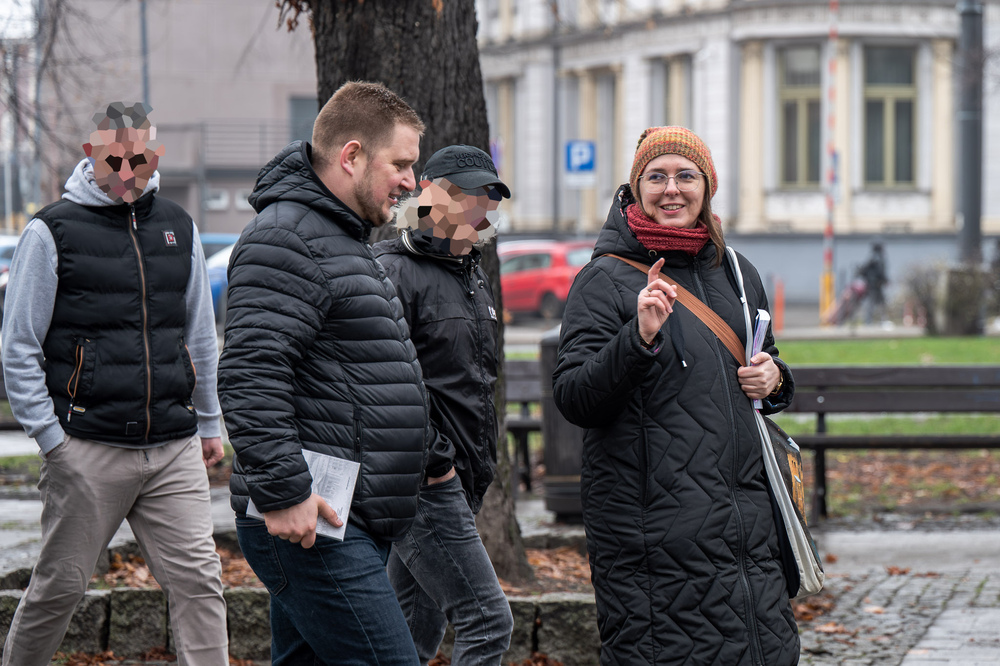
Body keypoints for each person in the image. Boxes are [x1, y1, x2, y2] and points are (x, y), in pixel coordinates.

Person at [552, 126, 798, 665]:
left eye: (686, 176)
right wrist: (637, 338)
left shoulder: (736, 272)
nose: (672, 190)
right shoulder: (605, 281)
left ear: (707, 188)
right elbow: (575, 398)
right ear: (635, 189)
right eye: (656, 177)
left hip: (745, 532)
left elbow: (766, 358)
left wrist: (774, 378)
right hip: (655, 542)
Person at [0, 101, 228, 666]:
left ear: (156, 156)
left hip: (172, 447)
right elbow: (18, 348)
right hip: (88, 447)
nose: (128, 174)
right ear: (91, 155)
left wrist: (209, 423)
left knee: (201, 587)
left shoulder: (180, 226)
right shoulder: (50, 232)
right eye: (115, 160)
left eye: (141, 160)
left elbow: (199, 335)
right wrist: (54, 445)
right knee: (59, 591)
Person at [217, 81, 428, 665]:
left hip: (343, 512)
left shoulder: (340, 237)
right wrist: (284, 494)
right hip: (313, 518)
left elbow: (362, 373)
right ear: (352, 155)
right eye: (402, 164)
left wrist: (428, 460)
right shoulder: (288, 236)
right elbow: (251, 373)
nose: (412, 181)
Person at [374, 145, 514, 665]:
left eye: (487, 198)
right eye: (464, 196)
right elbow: (386, 384)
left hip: (456, 480)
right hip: (423, 482)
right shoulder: (391, 269)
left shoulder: (469, 272)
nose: (478, 209)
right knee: (487, 620)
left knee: (409, 636)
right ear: (429, 196)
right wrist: (436, 465)